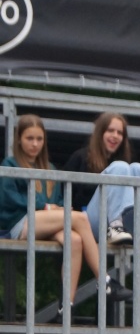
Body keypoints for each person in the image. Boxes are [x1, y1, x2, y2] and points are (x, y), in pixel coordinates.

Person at [0, 114, 132, 305]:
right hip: (20, 224)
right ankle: (104, 280)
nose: (35, 144)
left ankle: (66, 307)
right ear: (19, 139)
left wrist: (59, 207)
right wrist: (46, 206)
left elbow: (59, 199)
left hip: (47, 224)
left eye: (39, 139)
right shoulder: (10, 164)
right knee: (80, 218)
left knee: (75, 240)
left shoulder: (50, 168)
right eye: (29, 138)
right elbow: (9, 199)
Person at [63, 113, 140, 248]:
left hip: (126, 227)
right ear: (100, 133)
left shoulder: (126, 161)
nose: (115, 136)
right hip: (88, 224)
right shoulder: (80, 157)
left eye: (120, 133)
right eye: (110, 130)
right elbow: (65, 195)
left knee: (139, 169)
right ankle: (114, 227)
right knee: (120, 167)